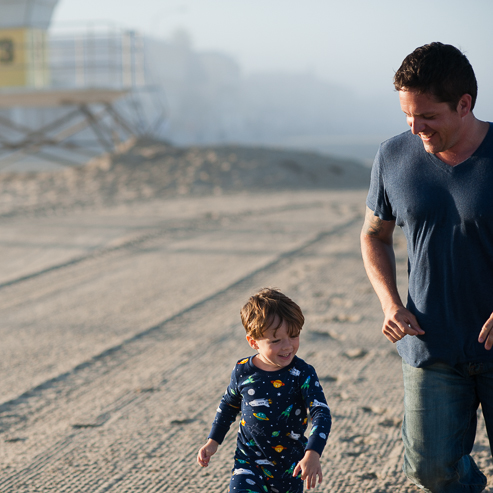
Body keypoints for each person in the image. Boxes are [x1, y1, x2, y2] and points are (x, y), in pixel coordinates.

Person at [361, 42, 493, 492]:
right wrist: (389, 303)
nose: (415, 128)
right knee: (430, 469)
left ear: (464, 104)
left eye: (428, 117)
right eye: (407, 117)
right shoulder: (392, 157)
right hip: (429, 345)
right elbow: (374, 235)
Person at [197, 288, 331, 492]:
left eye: (293, 336)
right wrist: (213, 440)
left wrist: (313, 453)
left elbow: (321, 413)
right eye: (276, 341)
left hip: (289, 468)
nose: (287, 346)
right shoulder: (243, 371)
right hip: (248, 463)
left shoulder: (303, 373)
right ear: (253, 342)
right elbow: (228, 405)